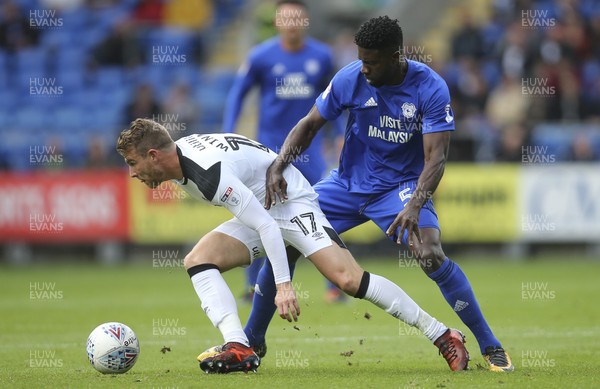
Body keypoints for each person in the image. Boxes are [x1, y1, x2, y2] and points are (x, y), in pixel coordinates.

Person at [238, 16, 514, 372]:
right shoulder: (350, 77)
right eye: (361, 59)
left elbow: (437, 158)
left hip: (400, 190)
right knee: (288, 238)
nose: (364, 67)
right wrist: (278, 164)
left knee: (429, 253)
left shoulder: (430, 88)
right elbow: (309, 124)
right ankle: (251, 341)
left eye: (371, 61)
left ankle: (491, 345)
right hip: (346, 185)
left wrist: (415, 204)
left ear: (396, 55)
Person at [117, 118, 469, 373]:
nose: (132, 173)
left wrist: (284, 286)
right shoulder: (183, 155)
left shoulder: (209, 174)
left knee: (348, 280)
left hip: (290, 203)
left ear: (153, 155)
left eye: (133, 163)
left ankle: (442, 335)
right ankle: (239, 346)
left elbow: (267, 225)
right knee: (199, 260)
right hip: (262, 205)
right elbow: (257, 212)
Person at [222, 0, 344, 303]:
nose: (291, 23)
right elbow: (238, 94)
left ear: (305, 21)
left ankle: (335, 283)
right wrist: (228, 130)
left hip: (309, 149)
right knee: (260, 214)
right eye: (285, 18)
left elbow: (336, 99)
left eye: (297, 18)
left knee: (323, 211)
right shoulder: (261, 56)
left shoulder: (322, 56)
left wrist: (341, 135)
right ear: (277, 22)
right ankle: (254, 286)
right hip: (269, 150)